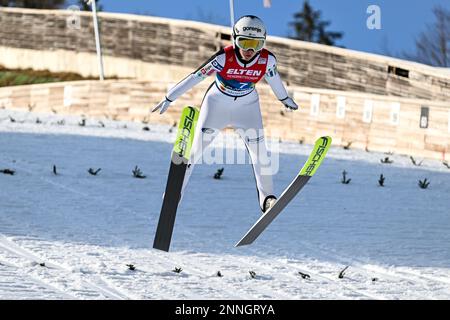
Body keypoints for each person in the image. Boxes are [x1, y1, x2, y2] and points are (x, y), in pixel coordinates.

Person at [152, 15, 299, 213]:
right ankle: (174, 194)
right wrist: (170, 97)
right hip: (217, 104)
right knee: (195, 151)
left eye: (256, 44)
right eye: (244, 42)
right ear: (234, 39)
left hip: (247, 106)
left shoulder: (267, 60)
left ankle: (267, 199)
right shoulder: (223, 58)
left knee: (260, 152)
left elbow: (274, 80)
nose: (250, 50)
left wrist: (284, 99)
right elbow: (196, 76)